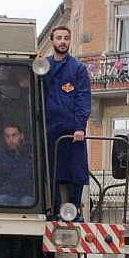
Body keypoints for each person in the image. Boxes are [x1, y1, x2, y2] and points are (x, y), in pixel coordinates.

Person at [41, 26, 91, 218]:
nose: (63, 41)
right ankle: (54, 210)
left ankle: (74, 209)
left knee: (76, 170)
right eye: (59, 38)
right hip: (49, 129)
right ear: (52, 41)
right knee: (51, 170)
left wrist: (80, 127)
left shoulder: (77, 68)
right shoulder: (44, 66)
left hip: (71, 132)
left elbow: (83, 98)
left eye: (66, 38)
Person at [0, 122, 34, 206]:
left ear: (21, 136)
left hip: (28, 196)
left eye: (14, 135)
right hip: (6, 195)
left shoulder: (32, 151)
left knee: (27, 202)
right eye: (7, 136)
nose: (11, 140)